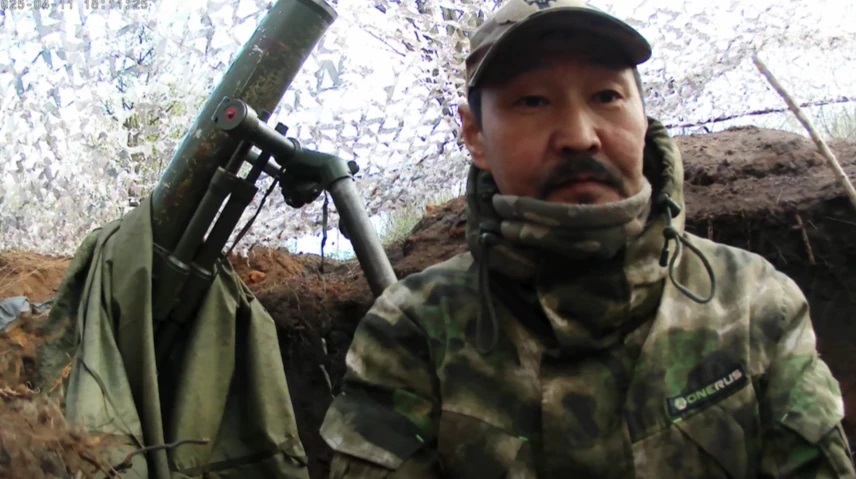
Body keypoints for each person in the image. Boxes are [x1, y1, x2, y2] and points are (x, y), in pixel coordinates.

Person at [318, 0, 856, 477]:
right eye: (532, 102)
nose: (579, 136)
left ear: (642, 114)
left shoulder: (753, 301)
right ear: (475, 134)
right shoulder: (413, 331)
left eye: (606, 95)